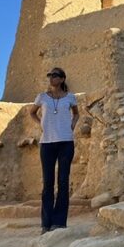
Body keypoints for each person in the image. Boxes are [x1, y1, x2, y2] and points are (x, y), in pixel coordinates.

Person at [29, 67, 79, 234]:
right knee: (48, 183)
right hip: (47, 143)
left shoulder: (70, 97)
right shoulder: (42, 97)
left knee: (63, 182)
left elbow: (76, 114)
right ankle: (46, 223)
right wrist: (41, 125)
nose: (51, 78)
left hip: (66, 142)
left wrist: (72, 125)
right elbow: (32, 113)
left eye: (55, 75)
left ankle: (59, 222)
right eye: (50, 75)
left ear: (62, 79)